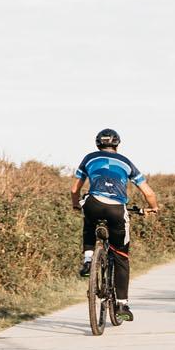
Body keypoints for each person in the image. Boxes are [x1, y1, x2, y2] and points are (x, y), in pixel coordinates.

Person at [71, 128, 161, 322]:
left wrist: (75, 204)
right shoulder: (126, 163)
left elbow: (74, 188)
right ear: (117, 145)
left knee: (88, 220)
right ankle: (122, 304)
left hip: (94, 203)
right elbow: (149, 193)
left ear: (97, 145)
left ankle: (88, 260)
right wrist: (152, 208)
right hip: (116, 209)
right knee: (121, 256)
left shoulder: (89, 158)